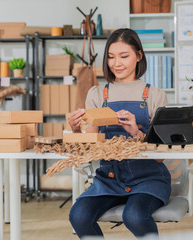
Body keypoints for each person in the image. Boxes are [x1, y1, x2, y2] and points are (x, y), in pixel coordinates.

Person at [68, 28, 171, 238]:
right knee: (78, 216)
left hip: (148, 180)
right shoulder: (97, 94)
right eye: (111, 57)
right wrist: (76, 129)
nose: (117, 63)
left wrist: (137, 132)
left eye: (124, 56)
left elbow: (161, 156)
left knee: (134, 215)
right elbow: (90, 150)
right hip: (109, 180)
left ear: (138, 56)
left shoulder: (155, 95)